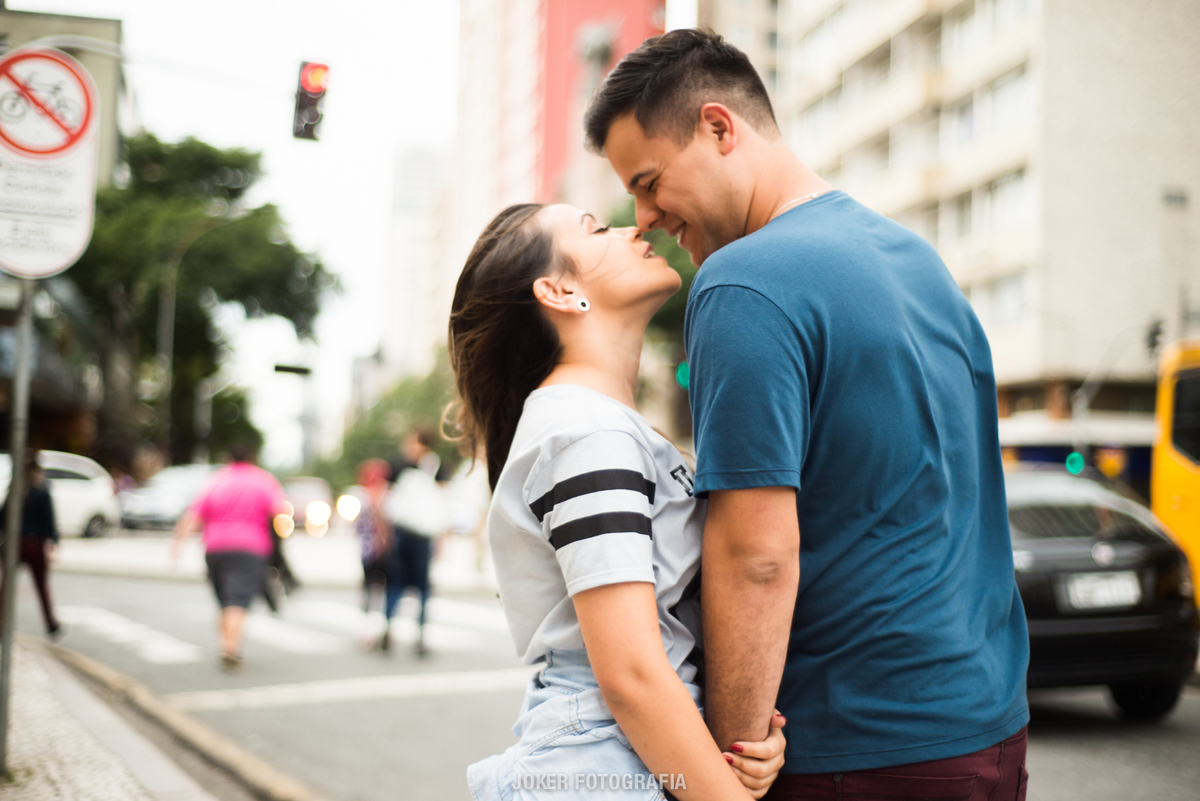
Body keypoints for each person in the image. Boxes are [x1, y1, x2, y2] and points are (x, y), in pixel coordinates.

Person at [583, 28, 1030, 799]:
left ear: (720, 128)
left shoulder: (742, 284)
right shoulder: (918, 262)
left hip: (852, 748)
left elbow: (754, 556)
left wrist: (731, 757)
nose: (645, 215)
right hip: (990, 730)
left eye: (650, 180)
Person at [450, 203, 786, 800]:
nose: (634, 227)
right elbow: (630, 675)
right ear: (559, 291)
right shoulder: (584, 431)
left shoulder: (597, 425)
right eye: (597, 230)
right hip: (602, 764)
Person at [172, 441, 289, 669]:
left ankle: (226, 644)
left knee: (225, 599)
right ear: (252, 458)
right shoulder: (262, 480)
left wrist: (177, 547)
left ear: (229, 458)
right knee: (237, 600)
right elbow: (280, 513)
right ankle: (230, 649)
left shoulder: (216, 480)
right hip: (250, 548)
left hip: (215, 549)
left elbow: (192, 515)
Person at [383, 427, 446, 657]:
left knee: (420, 586)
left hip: (420, 534)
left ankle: (419, 635)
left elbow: (442, 504)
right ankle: (388, 629)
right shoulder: (399, 466)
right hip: (404, 533)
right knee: (397, 583)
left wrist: (442, 538)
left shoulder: (435, 467)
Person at [0, 457, 62, 640]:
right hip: (35, 544)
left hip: (16, 544)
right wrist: (54, 542)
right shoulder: (42, 492)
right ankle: (51, 624)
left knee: (6, 587)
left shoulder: (15, 490)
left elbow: (2, 518)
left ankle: (1, 623)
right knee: (41, 587)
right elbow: (49, 521)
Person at [355, 457, 400, 650]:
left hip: (368, 553)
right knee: (387, 591)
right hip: (388, 552)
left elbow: (356, 527)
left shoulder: (361, 497)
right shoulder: (390, 496)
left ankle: (368, 632)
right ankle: (384, 628)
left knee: (369, 592)